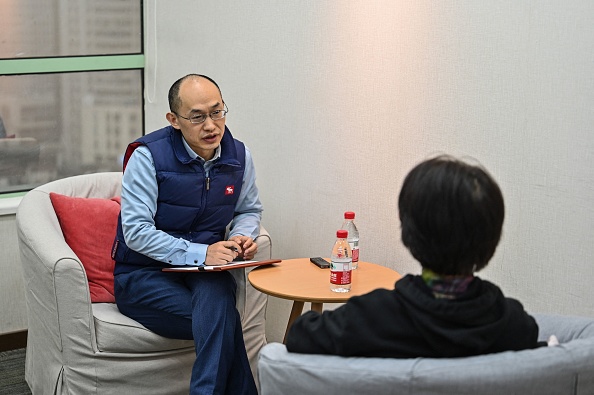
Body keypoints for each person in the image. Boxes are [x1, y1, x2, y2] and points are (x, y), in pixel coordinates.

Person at [286, 155, 541, 358]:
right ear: (492, 239)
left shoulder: (371, 317)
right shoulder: (514, 324)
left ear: (410, 232)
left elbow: (299, 336)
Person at [112, 74, 262, 394]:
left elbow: (248, 210)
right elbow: (136, 232)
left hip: (205, 274)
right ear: (174, 120)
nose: (211, 125)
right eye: (197, 116)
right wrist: (201, 252)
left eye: (217, 111)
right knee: (222, 318)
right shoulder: (147, 156)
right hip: (142, 274)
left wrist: (241, 236)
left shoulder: (239, 156)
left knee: (216, 299)